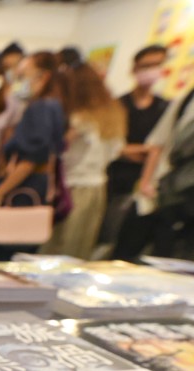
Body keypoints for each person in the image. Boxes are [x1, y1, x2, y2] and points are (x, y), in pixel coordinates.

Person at [114, 30, 194, 263]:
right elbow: (159, 143)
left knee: (176, 268)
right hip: (159, 193)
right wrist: (147, 183)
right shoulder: (192, 95)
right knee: (125, 258)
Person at [0, 52, 67, 261]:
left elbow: (30, 161)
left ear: (43, 76)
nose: (19, 82)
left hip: (22, 191)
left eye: (24, 76)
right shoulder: (53, 106)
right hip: (34, 188)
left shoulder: (41, 108)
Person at [41, 63, 126, 260]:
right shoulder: (112, 114)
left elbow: (57, 151)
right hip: (96, 187)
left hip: (73, 186)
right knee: (78, 247)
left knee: (59, 247)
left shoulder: (79, 119)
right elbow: (116, 151)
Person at [100, 45, 168, 252]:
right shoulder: (118, 104)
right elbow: (110, 145)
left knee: (127, 243)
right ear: (134, 68)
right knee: (104, 237)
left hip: (144, 186)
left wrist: (141, 151)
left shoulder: (165, 107)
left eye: (157, 65)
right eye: (146, 65)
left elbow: (159, 148)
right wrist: (142, 150)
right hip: (112, 181)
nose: (151, 70)